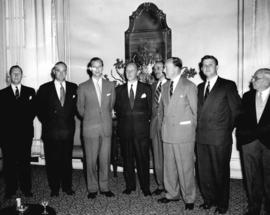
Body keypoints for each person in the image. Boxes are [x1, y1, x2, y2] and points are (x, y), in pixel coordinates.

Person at [196, 55, 241, 214]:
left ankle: (222, 204)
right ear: (201, 69)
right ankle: (209, 200)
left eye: (210, 64)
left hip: (219, 137)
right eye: (204, 65)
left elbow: (237, 111)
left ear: (217, 67)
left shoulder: (227, 85)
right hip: (201, 137)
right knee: (204, 171)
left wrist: (225, 130)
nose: (207, 67)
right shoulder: (200, 87)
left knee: (220, 171)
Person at [157, 57, 197, 211]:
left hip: (183, 135)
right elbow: (161, 110)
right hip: (167, 133)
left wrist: (191, 133)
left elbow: (195, 113)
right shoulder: (165, 86)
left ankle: (189, 197)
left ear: (176, 68)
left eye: (166, 67)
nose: (163, 70)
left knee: (185, 167)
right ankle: (172, 194)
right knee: (169, 167)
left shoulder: (189, 86)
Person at [36, 61, 77, 197]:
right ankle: (54, 188)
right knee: (52, 162)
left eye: (64, 70)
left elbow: (76, 109)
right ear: (54, 71)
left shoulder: (73, 87)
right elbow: (39, 110)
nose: (61, 73)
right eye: (58, 70)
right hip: (51, 132)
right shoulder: (44, 88)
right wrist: (49, 123)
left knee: (66, 160)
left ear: (66, 71)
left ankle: (67, 186)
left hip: (67, 131)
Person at [77, 57, 116, 199]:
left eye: (100, 66)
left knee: (105, 160)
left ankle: (105, 187)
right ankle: (92, 188)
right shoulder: (82, 87)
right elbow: (80, 109)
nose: (97, 69)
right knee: (91, 161)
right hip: (90, 129)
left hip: (106, 128)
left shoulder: (110, 85)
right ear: (90, 69)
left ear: (102, 67)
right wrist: (90, 118)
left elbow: (111, 105)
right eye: (94, 67)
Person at [115, 62, 152, 196]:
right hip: (125, 132)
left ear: (138, 72)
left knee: (143, 160)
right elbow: (117, 110)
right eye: (127, 71)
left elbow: (150, 110)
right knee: (127, 160)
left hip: (142, 132)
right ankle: (130, 186)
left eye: (132, 70)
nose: (129, 73)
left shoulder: (147, 88)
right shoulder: (118, 90)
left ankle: (145, 187)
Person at [237, 68, 270, 215]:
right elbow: (240, 117)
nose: (252, 81)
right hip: (249, 142)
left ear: (266, 79)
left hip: (268, 143)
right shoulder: (247, 96)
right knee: (251, 177)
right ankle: (253, 208)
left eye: (255, 78)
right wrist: (243, 136)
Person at [0, 65, 36, 198]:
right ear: (9, 76)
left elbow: (33, 112)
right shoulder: (1, 94)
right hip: (7, 135)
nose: (16, 76)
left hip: (25, 134)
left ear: (22, 75)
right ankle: (11, 189)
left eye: (18, 73)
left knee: (25, 162)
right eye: (13, 74)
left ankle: (26, 189)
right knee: (9, 163)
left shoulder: (30, 91)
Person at [150, 60, 167, 195]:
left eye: (159, 68)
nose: (156, 71)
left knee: (168, 158)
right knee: (157, 158)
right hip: (155, 126)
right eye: (155, 69)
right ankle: (160, 184)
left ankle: (171, 185)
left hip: (168, 128)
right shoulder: (153, 85)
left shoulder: (172, 84)